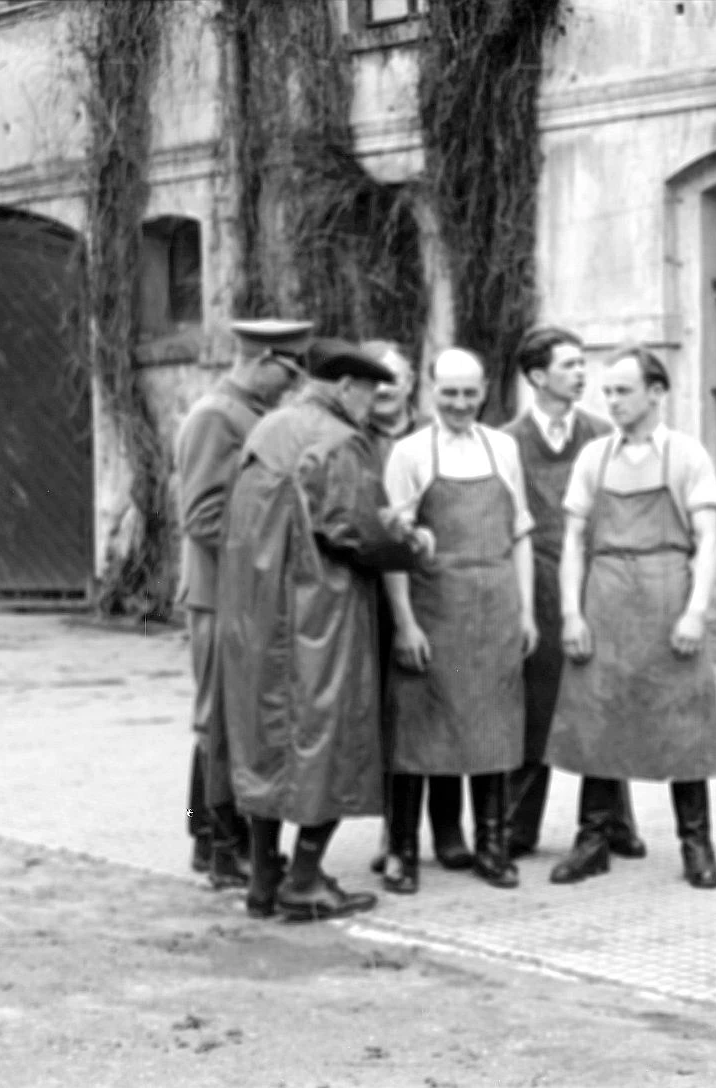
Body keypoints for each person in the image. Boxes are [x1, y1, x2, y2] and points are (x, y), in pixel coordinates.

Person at [218, 338, 434, 922]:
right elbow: (355, 531)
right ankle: (306, 879)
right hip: (320, 613)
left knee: (265, 745)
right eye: (369, 392)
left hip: (257, 615)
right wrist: (410, 542)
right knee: (334, 742)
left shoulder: (269, 429)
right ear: (345, 387)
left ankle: (264, 877)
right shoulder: (340, 441)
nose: (373, 404)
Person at [546, 345, 716, 889]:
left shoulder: (687, 455)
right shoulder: (594, 457)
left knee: (683, 722)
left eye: (623, 391)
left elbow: (708, 539)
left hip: (667, 596)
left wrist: (696, 611)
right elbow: (573, 540)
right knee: (597, 718)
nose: (613, 401)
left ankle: (697, 844)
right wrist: (571, 613)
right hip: (604, 599)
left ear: (656, 393)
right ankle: (593, 840)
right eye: (608, 391)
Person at [381, 348, 537, 893]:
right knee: (416, 731)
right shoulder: (408, 453)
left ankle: (492, 848)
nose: (460, 404)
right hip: (433, 607)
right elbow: (394, 546)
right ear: (431, 391)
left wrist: (526, 611)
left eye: (470, 393)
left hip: (494, 606)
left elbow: (520, 533)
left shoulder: (504, 448)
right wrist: (405, 624)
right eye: (449, 393)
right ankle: (401, 852)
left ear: (485, 391)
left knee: (494, 727)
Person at [176, 318, 312, 886]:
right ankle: (216, 842)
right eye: (288, 371)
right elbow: (202, 517)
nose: (294, 384)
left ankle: (205, 838)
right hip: (219, 597)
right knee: (217, 725)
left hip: (240, 598)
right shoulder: (216, 416)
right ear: (262, 360)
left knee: (227, 723)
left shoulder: (248, 414)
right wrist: (272, 555)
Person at [502, 326, 645, 864]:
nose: (582, 373)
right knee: (534, 707)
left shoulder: (603, 435)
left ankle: (612, 824)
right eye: (569, 365)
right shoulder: (508, 442)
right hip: (534, 587)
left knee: (602, 702)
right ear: (537, 376)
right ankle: (517, 826)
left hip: (595, 586)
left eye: (583, 363)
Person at [362, 342, 475, 876]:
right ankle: (395, 830)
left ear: (412, 384)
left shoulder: (437, 436)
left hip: (433, 593)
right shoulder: (354, 439)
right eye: (376, 379)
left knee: (443, 702)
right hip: (369, 593)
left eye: (394, 377)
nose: (385, 388)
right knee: (395, 716)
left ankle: (448, 829)